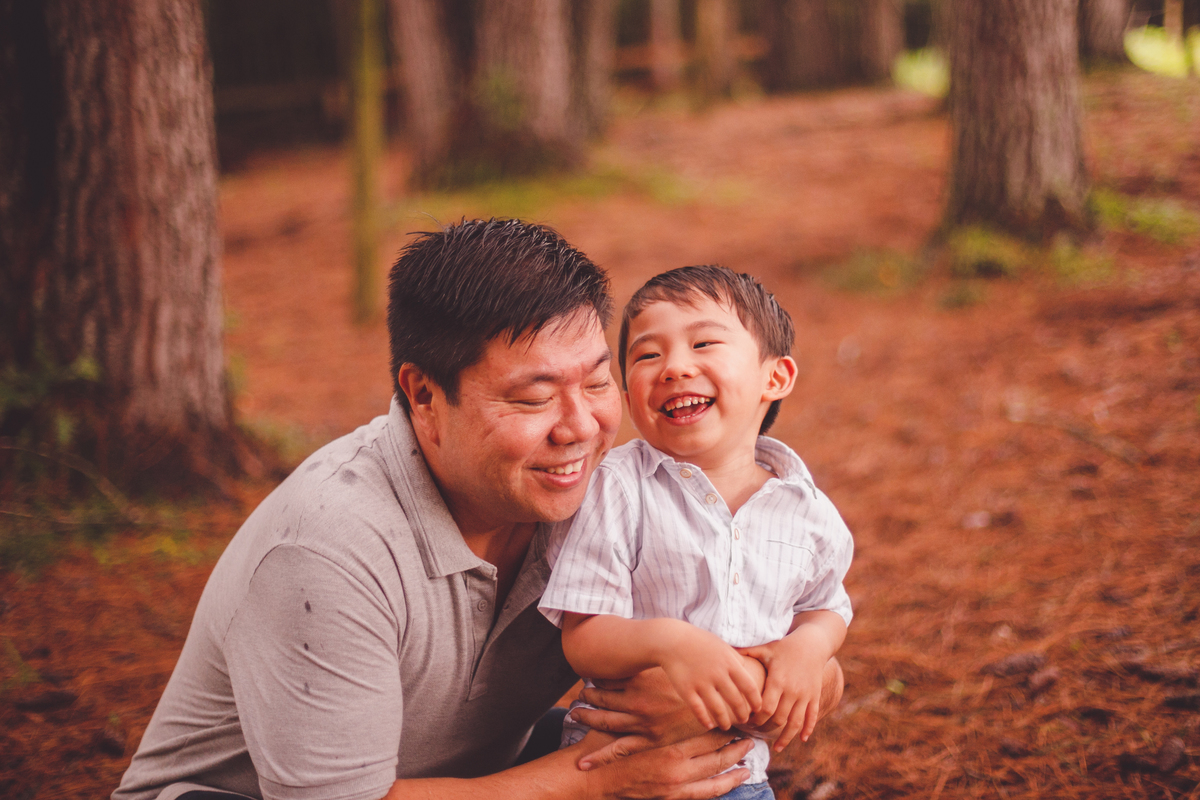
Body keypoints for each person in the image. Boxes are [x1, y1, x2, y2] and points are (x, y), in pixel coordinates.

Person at [114, 220, 844, 800]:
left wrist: (789, 677)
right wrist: (602, 784)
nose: (579, 429)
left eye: (596, 384)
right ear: (425, 396)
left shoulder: (600, 497)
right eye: (531, 399)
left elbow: (768, 629)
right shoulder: (328, 550)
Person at [539, 265, 854, 800]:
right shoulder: (619, 487)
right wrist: (670, 643)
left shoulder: (808, 509)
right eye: (646, 354)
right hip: (617, 768)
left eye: (704, 342)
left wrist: (809, 647)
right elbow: (584, 635)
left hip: (738, 776)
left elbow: (828, 605)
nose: (675, 367)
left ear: (774, 378)